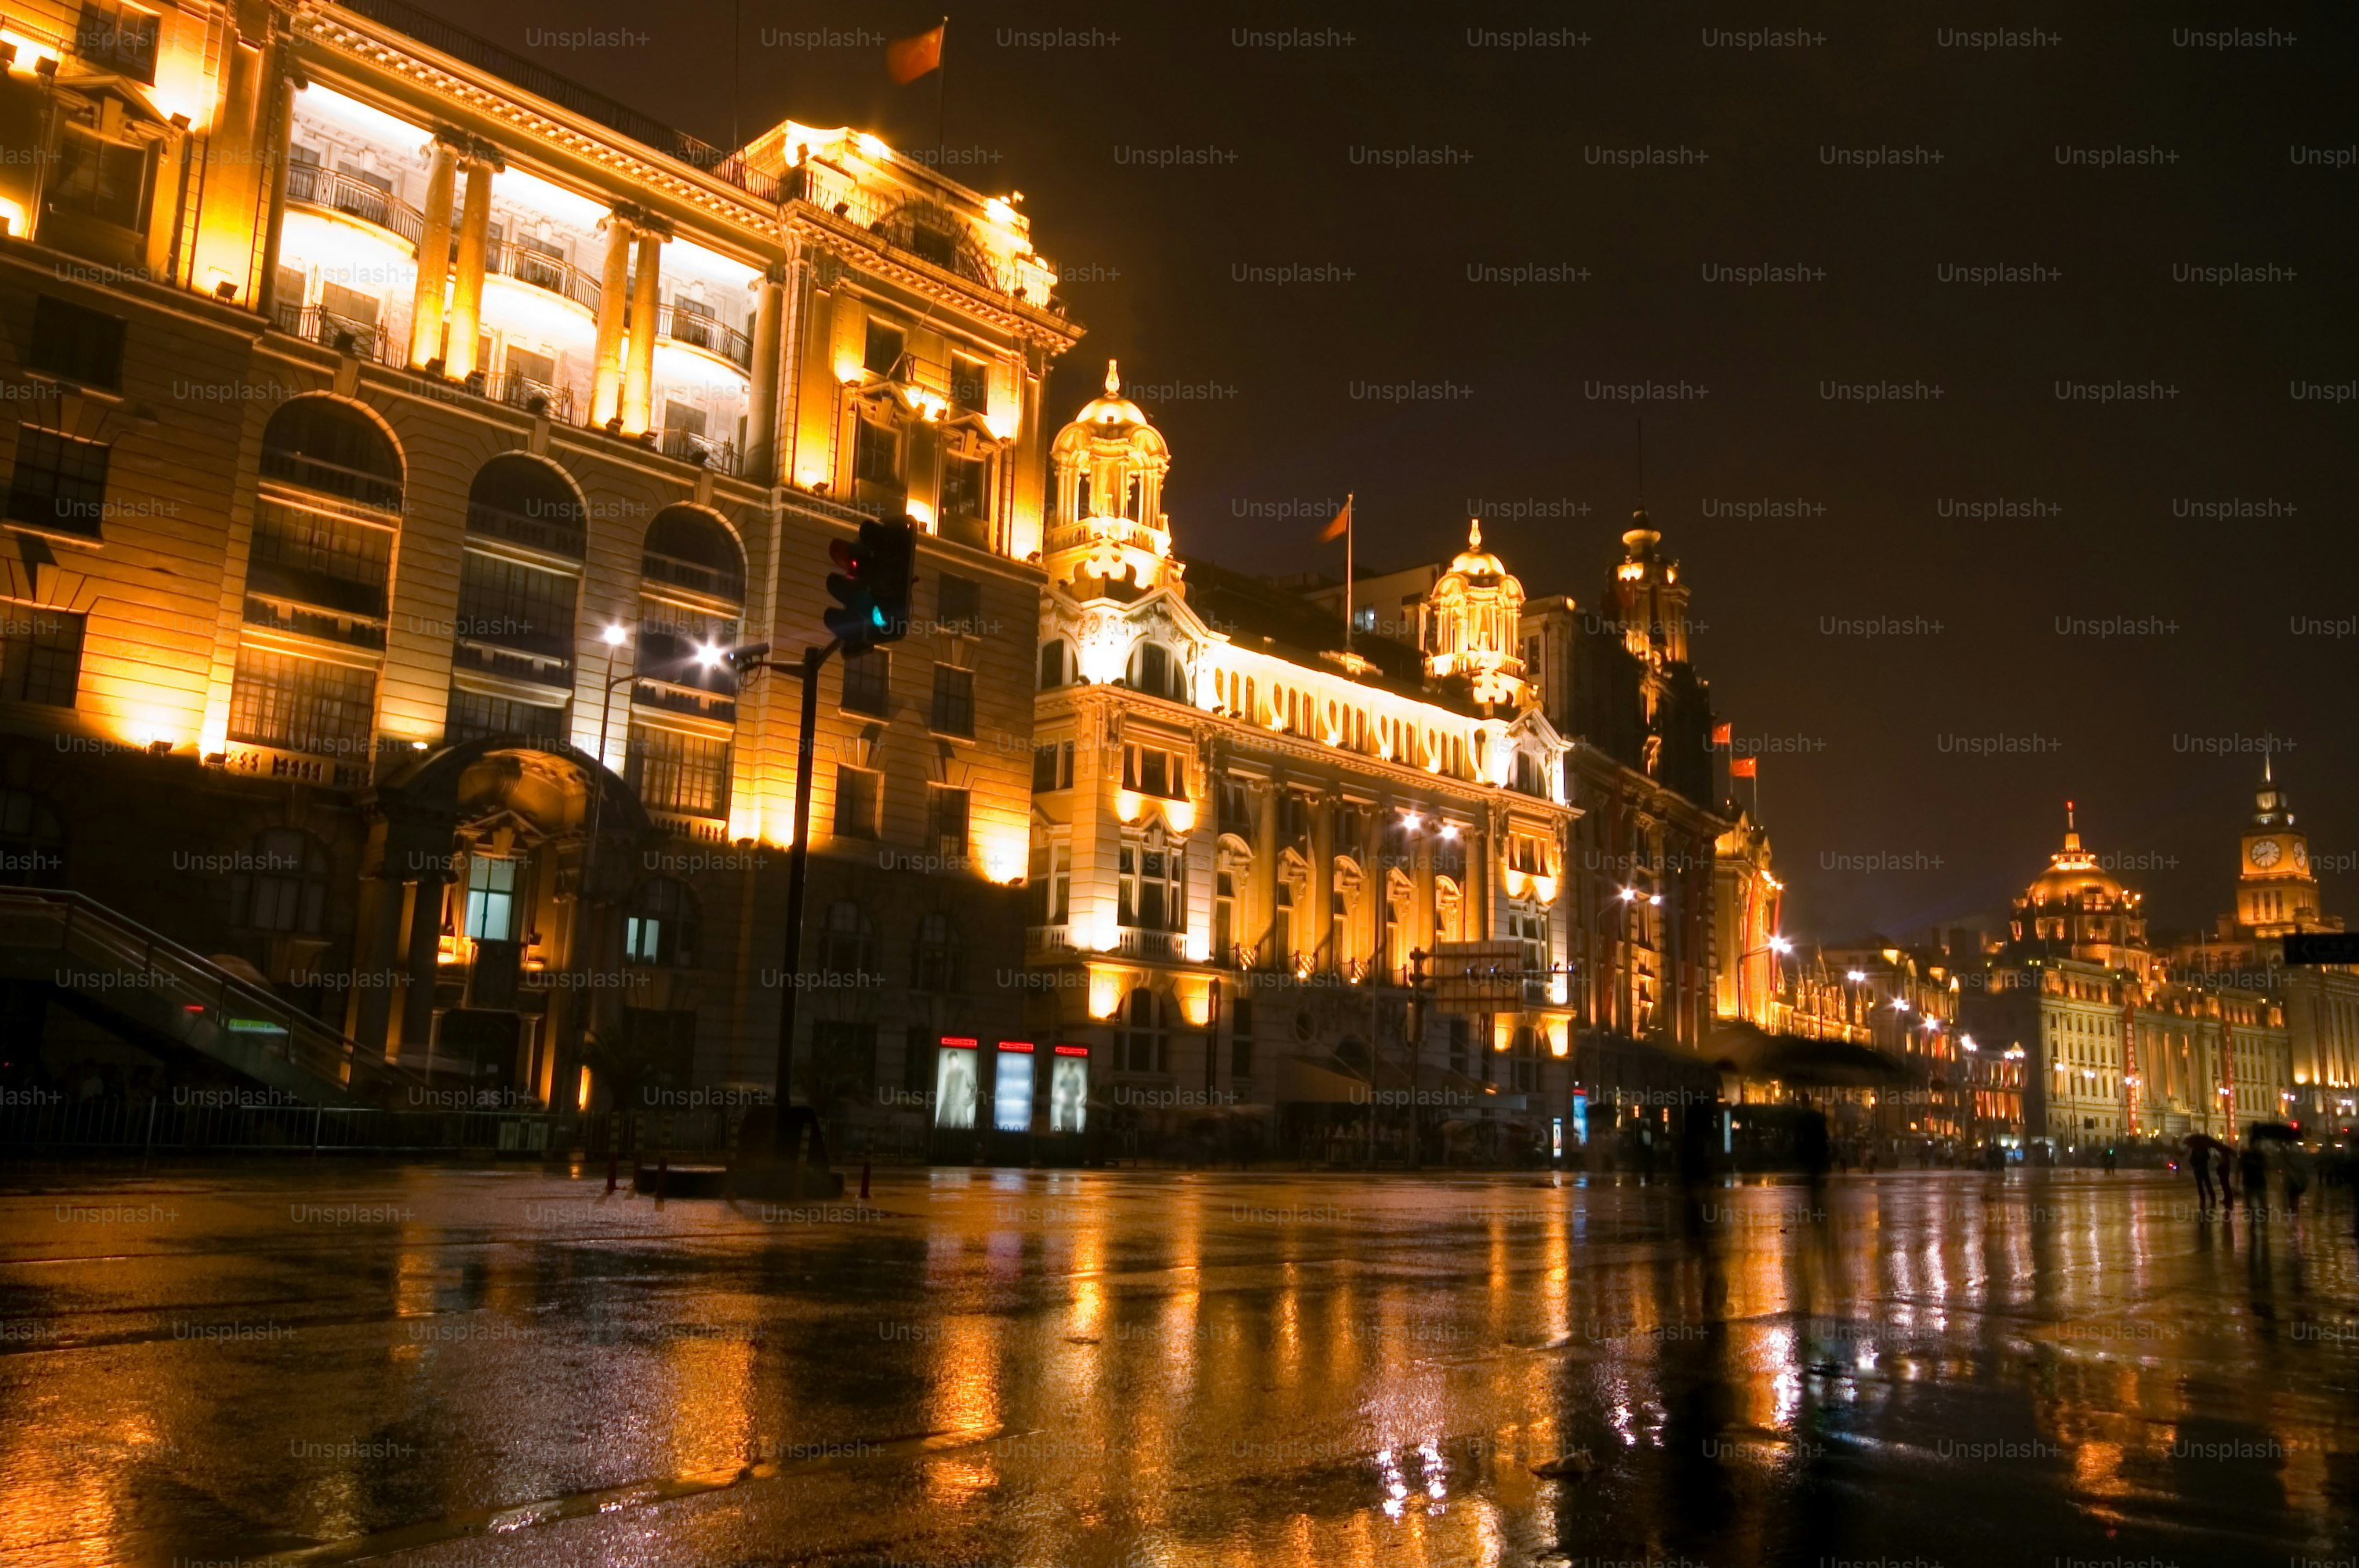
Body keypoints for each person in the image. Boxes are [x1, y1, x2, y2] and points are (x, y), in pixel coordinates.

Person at [2191, 1143, 2216, 1215]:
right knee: (2202, 1184)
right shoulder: (2196, 1150)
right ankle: (2205, 1197)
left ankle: (2209, 1197)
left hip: (2201, 1168)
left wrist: (2200, 1159)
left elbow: (2208, 1157)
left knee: (2205, 1183)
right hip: (2200, 1168)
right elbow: (2192, 1160)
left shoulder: (2201, 1150)